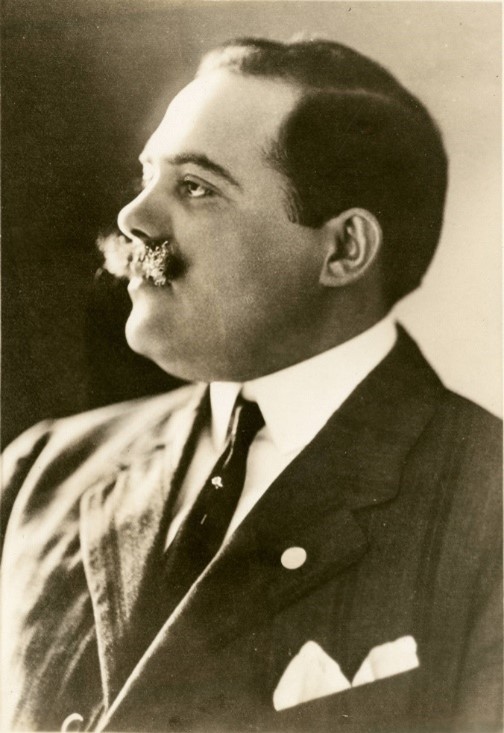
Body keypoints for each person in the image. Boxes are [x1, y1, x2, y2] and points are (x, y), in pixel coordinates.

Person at [1, 37, 501, 733]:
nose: (133, 218)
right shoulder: (42, 472)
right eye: (147, 175)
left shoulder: (489, 509)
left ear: (344, 249)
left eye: (196, 187)